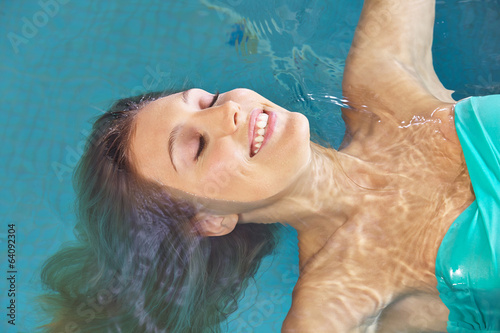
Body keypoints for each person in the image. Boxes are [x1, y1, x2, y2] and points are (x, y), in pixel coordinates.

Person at [40, 0, 499, 332]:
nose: (228, 112)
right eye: (196, 146)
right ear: (212, 218)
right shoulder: (332, 300)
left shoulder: (382, 85)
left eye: (206, 100)